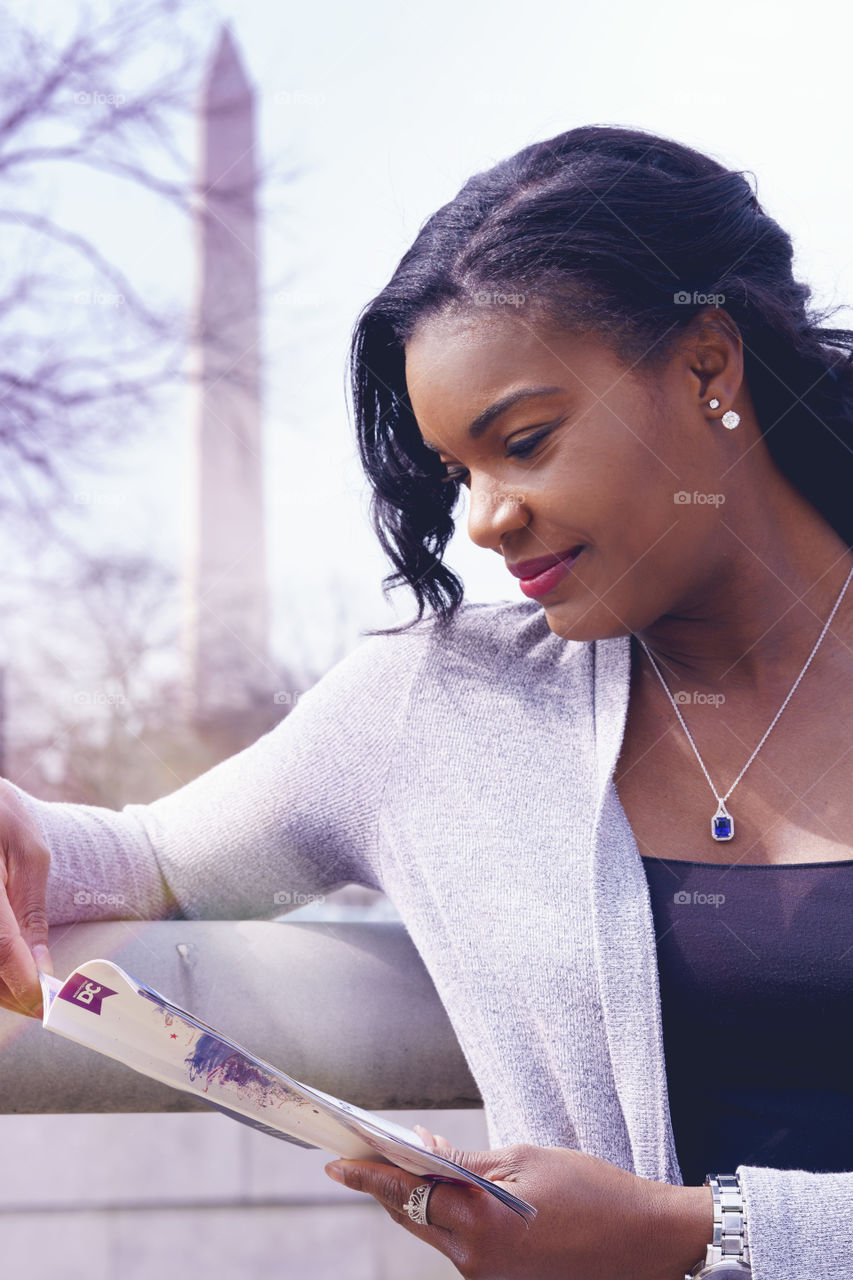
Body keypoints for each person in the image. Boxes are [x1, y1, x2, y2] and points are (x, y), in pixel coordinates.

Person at [1, 122, 852, 1279]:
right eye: (460, 472)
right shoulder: (440, 706)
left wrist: (694, 1237)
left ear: (708, 366)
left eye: (526, 440)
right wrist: (18, 833)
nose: (486, 519)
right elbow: (151, 855)